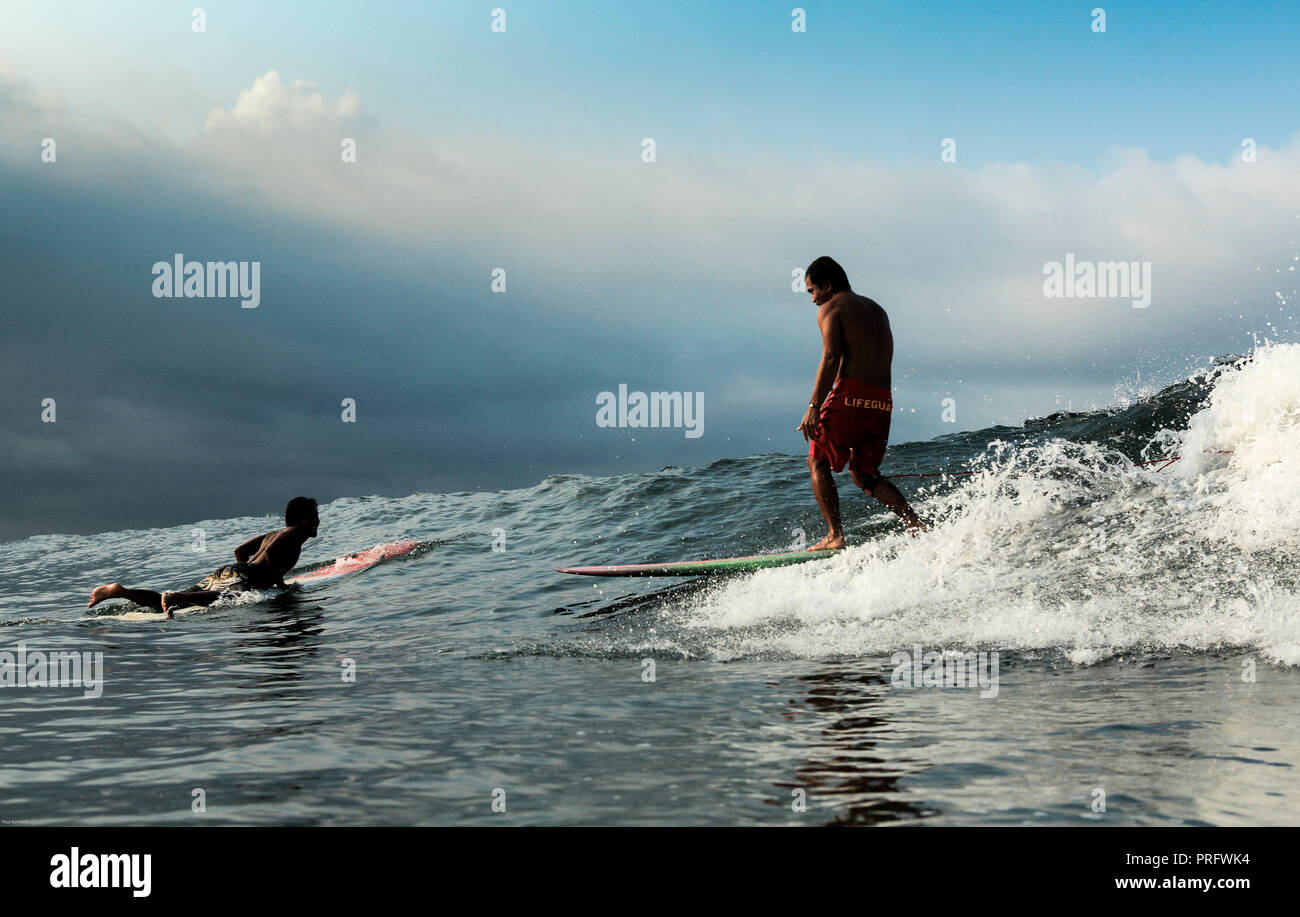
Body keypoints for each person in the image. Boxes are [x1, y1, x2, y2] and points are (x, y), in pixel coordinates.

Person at [799, 257, 925, 549]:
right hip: (882, 400)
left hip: (850, 395)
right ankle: (915, 525)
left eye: (812, 291)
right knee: (864, 474)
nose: (813, 298)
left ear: (827, 285)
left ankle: (834, 536)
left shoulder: (832, 308)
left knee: (817, 460)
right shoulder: (877, 309)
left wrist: (814, 406)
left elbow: (830, 358)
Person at [88, 497, 320, 618]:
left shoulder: (274, 532)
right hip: (245, 575)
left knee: (166, 602)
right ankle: (175, 597)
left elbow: (240, 551)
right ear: (303, 520)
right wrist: (278, 583)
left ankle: (120, 591)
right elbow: (270, 553)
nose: (317, 520)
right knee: (230, 595)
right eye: (314, 516)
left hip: (229, 570)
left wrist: (247, 570)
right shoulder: (295, 533)